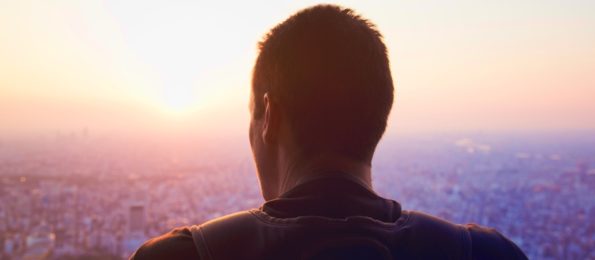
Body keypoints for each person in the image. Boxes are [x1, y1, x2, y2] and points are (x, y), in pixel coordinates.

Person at [131, 4, 527, 259]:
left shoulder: (186, 256)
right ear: (379, 115)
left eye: (251, 114)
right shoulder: (484, 255)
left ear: (269, 116)